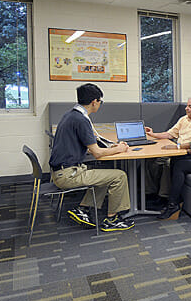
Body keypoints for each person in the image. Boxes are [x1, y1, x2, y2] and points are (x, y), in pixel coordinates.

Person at [48, 83, 135, 231]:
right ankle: (112, 220)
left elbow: (86, 147)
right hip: (68, 174)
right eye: (100, 101)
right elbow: (97, 153)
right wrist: (120, 148)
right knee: (119, 176)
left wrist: (110, 148)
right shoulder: (81, 120)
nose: (100, 104)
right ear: (94, 101)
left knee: (105, 173)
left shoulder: (70, 115)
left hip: (62, 171)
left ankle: (84, 209)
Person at [144, 97, 191, 204]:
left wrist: (190, 150)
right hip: (177, 149)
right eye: (187, 106)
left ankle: (164, 196)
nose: (186, 108)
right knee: (151, 161)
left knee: (168, 163)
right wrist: (153, 134)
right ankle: (150, 193)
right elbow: (170, 134)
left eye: (190, 106)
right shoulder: (183, 119)